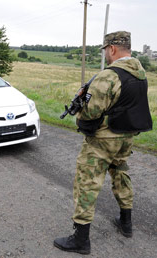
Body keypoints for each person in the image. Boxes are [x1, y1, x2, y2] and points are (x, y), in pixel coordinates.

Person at [53, 31, 153, 255]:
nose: (106, 55)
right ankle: (125, 223)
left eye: (106, 50)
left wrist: (79, 112)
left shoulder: (109, 75)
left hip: (103, 139)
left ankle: (80, 239)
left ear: (113, 48)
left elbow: (91, 112)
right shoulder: (140, 73)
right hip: (126, 137)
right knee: (120, 174)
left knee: (87, 181)